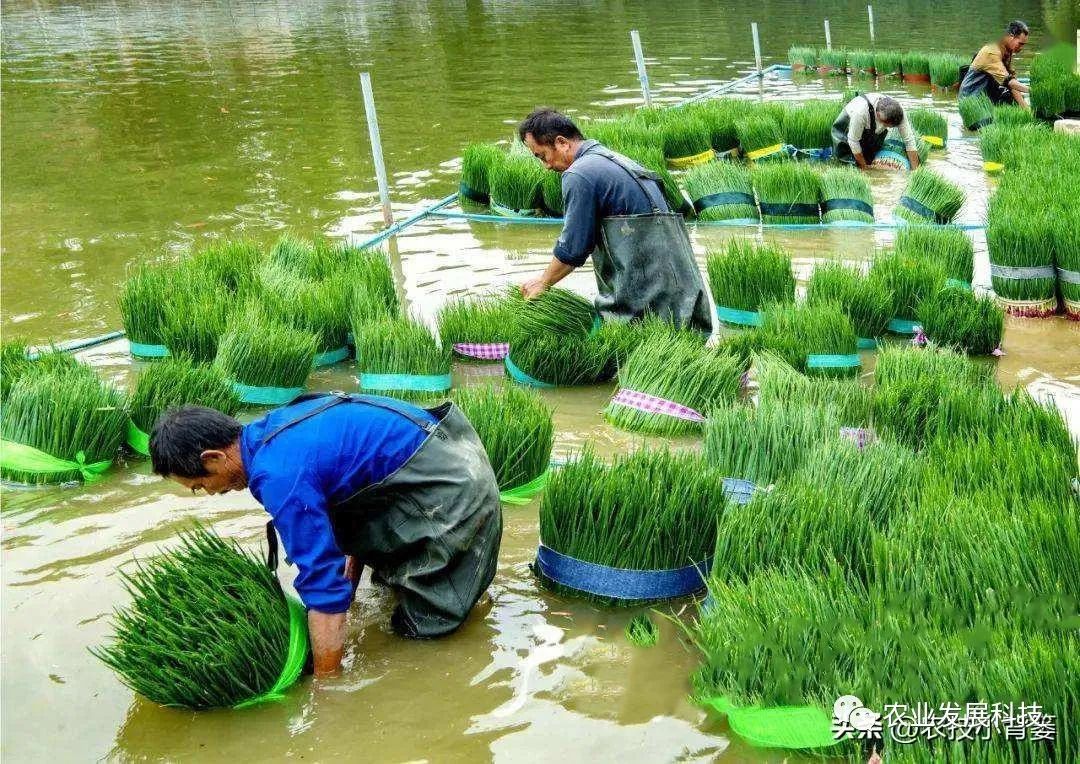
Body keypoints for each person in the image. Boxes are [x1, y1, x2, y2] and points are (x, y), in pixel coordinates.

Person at [149, 392, 502, 676]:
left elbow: (321, 586)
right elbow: (351, 503)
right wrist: (347, 588)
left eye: (200, 485)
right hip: (447, 451)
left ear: (214, 458)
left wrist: (327, 690)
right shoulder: (271, 430)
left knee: (420, 636)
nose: (209, 493)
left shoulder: (279, 475)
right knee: (388, 588)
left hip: (452, 492)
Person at [517, 107, 713, 334]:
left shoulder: (579, 174)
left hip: (646, 306)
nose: (546, 166)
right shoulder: (621, 161)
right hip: (686, 297)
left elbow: (573, 248)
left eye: (542, 156)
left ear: (561, 142)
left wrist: (543, 282)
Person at [831, 93, 920, 170]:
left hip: (869, 128)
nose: (888, 128)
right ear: (878, 115)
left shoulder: (899, 112)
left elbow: (909, 141)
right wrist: (864, 169)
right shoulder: (860, 113)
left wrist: (915, 171)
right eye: (887, 125)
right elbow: (853, 142)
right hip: (846, 128)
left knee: (871, 160)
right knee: (848, 164)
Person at [959, 20, 1030, 106]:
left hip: (986, 94)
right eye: (1020, 44)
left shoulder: (1007, 50)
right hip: (971, 98)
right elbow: (1010, 82)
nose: (1021, 48)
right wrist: (1034, 90)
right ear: (1011, 36)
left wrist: (1026, 109)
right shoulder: (992, 52)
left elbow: (1012, 83)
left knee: (1014, 100)